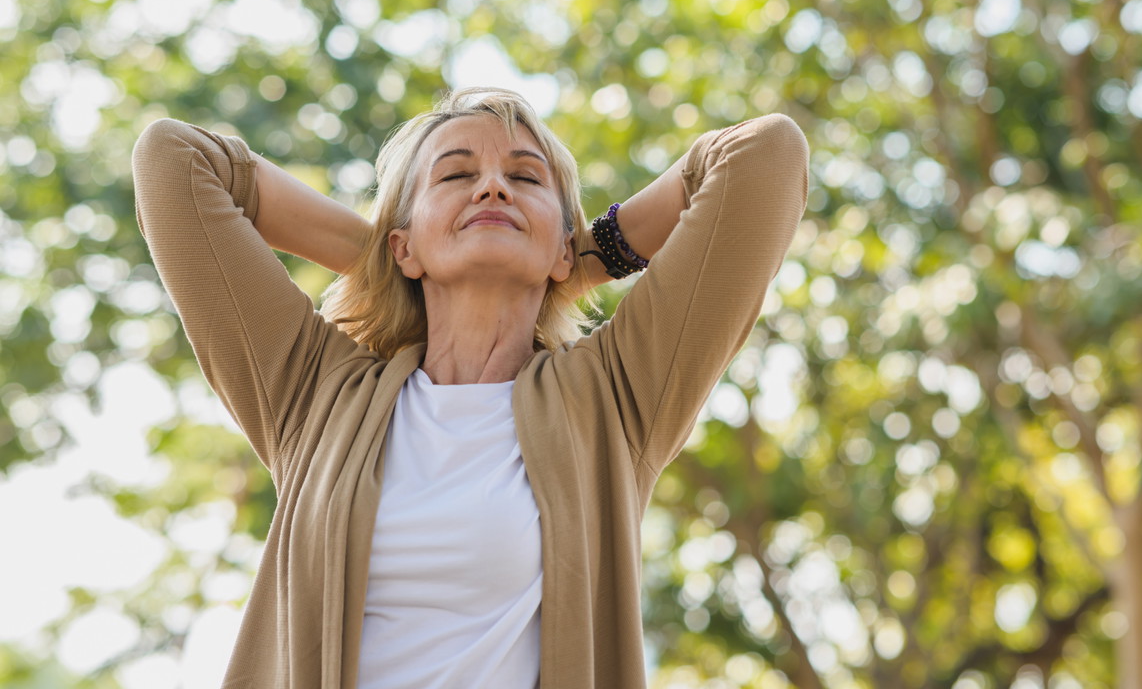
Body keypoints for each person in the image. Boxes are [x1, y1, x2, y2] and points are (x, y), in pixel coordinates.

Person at [132, 86, 808, 688]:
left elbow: (764, 157)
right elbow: (175, 161)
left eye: (524, 178)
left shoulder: (614, 397)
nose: (492, 188)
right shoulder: (314, 392)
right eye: (456, 175)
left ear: (562, 245)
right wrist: (387, 261)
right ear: (403, 245)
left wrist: (579, 260)